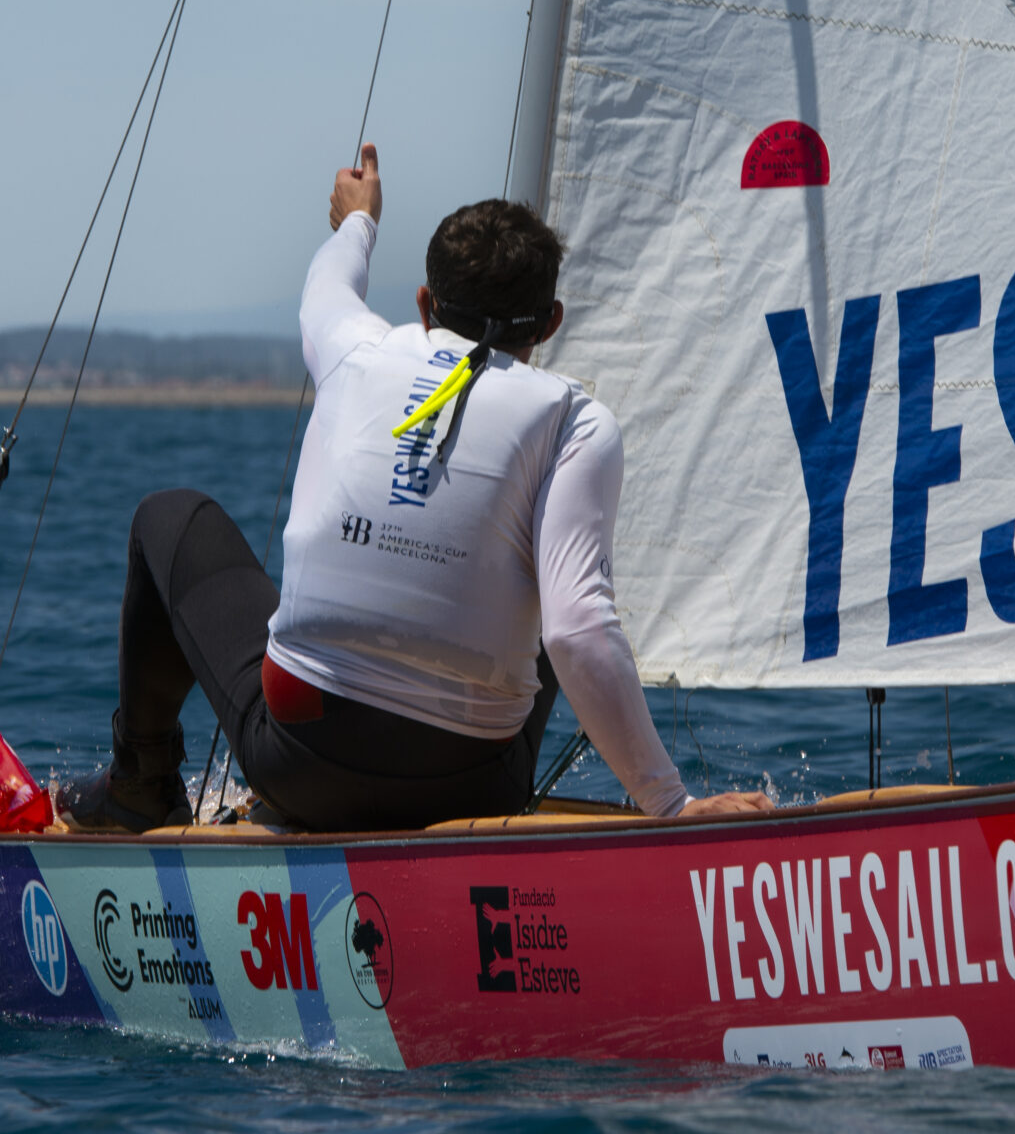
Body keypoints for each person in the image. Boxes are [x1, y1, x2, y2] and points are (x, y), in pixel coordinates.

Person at [58, 143, 772, 832]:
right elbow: (577, 628)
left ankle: (141, 787)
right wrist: (669, 804)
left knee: (171, 517)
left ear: (427, 303)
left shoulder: (355, 347)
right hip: (474, 787)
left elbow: (329, 283)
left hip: (299, 764)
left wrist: (360, 217)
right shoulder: (574, 419)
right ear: (551, 324)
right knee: (562, 568)